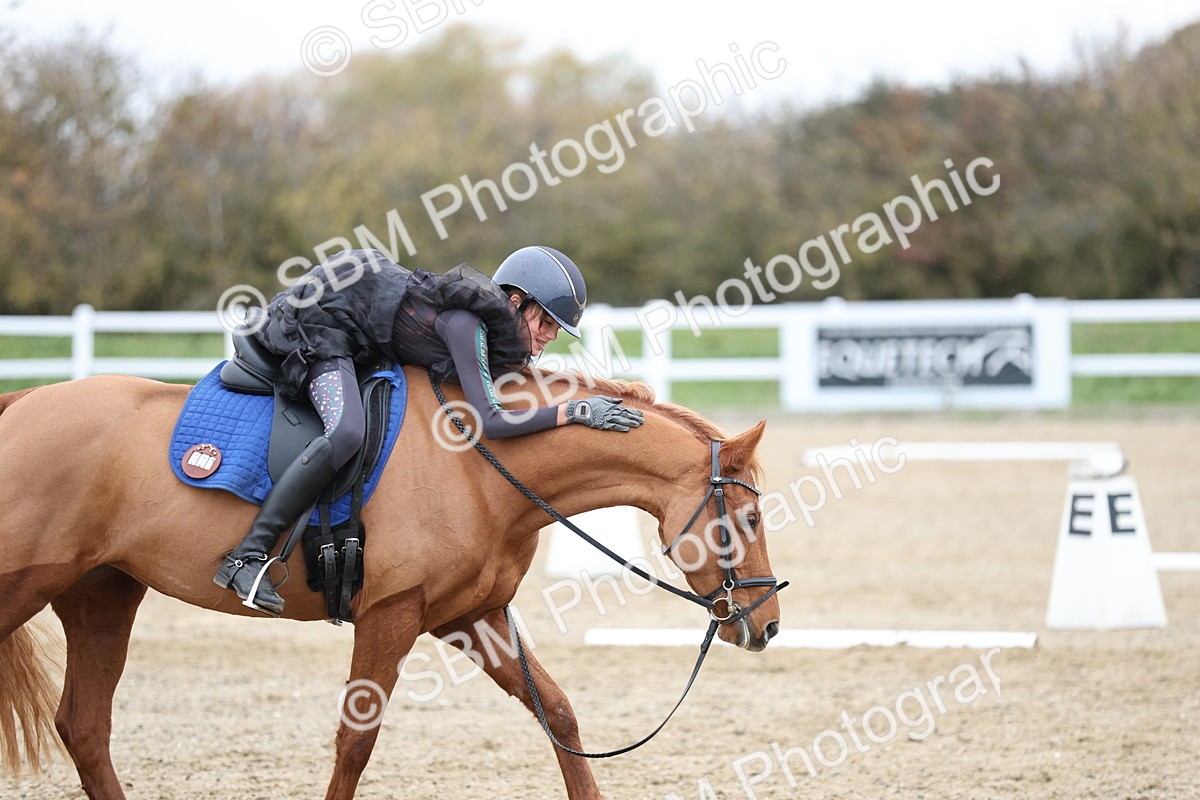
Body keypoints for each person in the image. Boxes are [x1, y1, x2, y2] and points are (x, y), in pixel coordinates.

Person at [214, 245, 644, 616]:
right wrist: (576, 411)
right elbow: (491, 422)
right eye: (545, 322)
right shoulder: (467, 325)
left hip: (359, 322)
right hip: (320, 324)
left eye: (556, 329)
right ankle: (246, 555)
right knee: (346, 431)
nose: (549, 336)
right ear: (514, 301)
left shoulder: (493, 331)